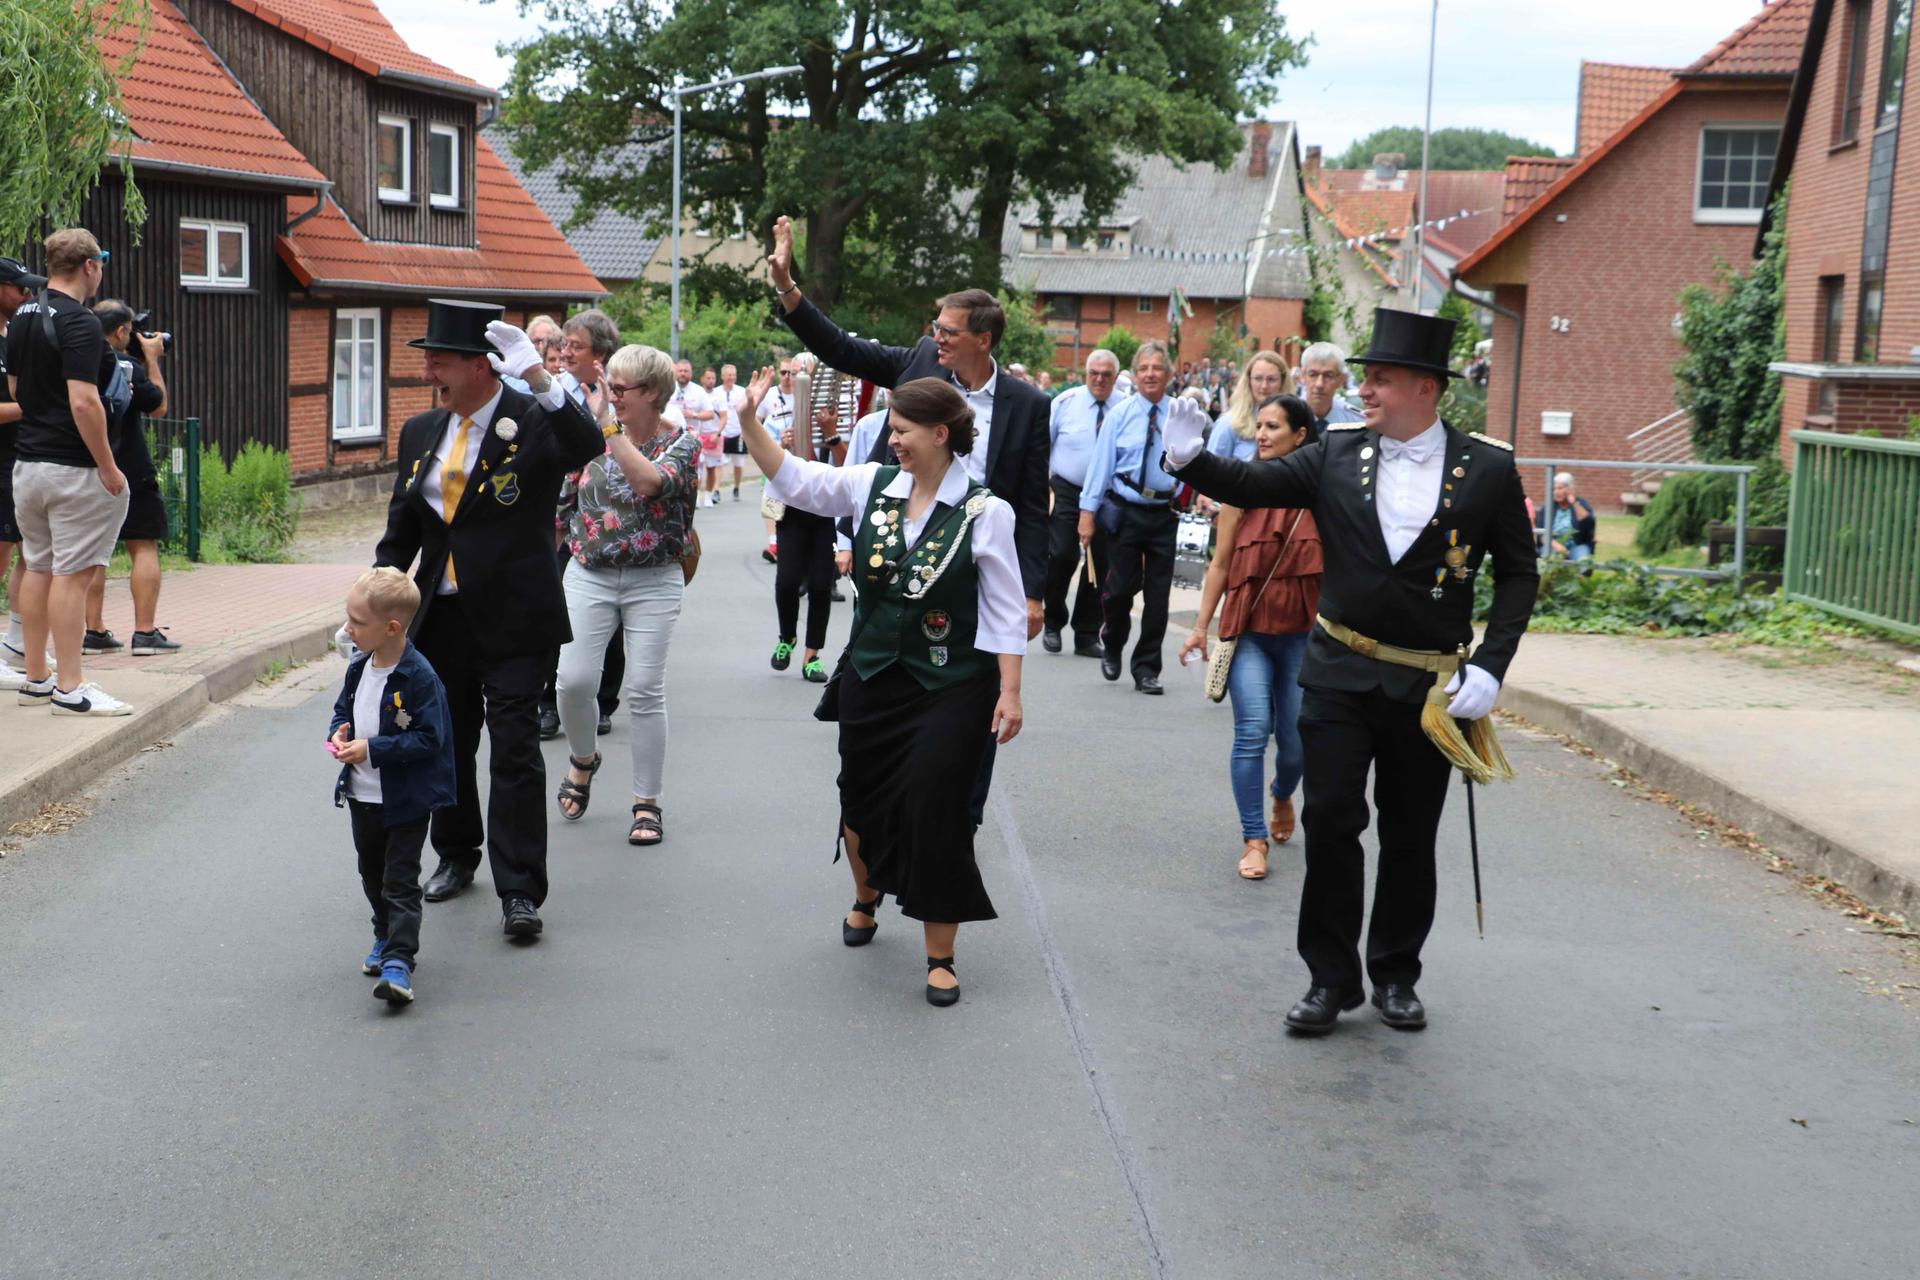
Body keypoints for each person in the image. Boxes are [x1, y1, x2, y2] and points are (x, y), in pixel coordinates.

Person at [1165, 307, 1539, 1035]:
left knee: (1409, 833)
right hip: (1338, 670)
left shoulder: (1488, 468)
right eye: (1364, 378)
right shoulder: (1337, 452)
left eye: (1381, 379)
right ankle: (1330, 979)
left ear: (1426, 388)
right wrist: (1188, 459)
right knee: (1332, 819)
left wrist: (1492, 666)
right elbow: (1253, 484)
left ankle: (1395, 973)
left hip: (1426, 686)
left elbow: (1520, 573)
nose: (1362, 390)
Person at [737, 370, 1026, 1007]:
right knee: (860, 797)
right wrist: (749, 422)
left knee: (936, 804)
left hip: (953, 683)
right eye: (891, 428)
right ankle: (865, 895)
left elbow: (1006, 611)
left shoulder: (987, 512)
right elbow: (796, 480)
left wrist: (1010, 691)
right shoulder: (871, 485)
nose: (892, 440)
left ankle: (941, 955)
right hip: (872, 677)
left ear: (940, 434)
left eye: (902, 430)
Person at [766, 213, 1048, 825]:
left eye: (948, 330)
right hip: (899, 559)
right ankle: (882, 818)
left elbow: (1030, 506)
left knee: (968, 699)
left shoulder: (1027, 405)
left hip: (972, 573)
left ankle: (958, 822)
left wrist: (1032, 592)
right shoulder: (919, 361)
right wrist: (787, 286)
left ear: (984, 340)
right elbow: (840, 348)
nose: (936, 337)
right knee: (885, 679)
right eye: (936, 328)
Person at [372, 298, 603, 939]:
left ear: (481, 366)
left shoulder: (531, 418)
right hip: (441, 617)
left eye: (439, 362)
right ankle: (456, 852)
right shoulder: (422, 430)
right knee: (447, 741)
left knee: (515, 749)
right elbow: (403, 528)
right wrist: (373, 601)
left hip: (515, 615)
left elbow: (587, 445)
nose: (429, 374)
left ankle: (520, 888)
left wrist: (539, 377)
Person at [552, 344, 699, 846]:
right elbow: (564, 506)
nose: (610, 396)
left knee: (643, 689)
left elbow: (649, 483)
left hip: (654, 578)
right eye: (607, 387)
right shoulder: (589, 439)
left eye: (619, 389)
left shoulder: (682, 444)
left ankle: (646, 802)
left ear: (653, 393)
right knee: (572, 682)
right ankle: (583, 758)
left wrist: (607, 430)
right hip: (589, 571)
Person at [1178, 395, 1322, 882]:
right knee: (1252, 732)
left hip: (1302, 634)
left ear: (1300, 435)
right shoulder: (1239, 487)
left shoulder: (1321, 490)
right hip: (1250, 633)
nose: (1261, 434)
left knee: (1296, 744)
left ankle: (1282, 793)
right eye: (1259, 425)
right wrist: (1200, 628)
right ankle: (1253, 838)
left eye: (1273, 426)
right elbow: (1220, 564)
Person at [6, 229, 133, 716]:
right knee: (72, 576)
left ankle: (37, 677)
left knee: (37, 566)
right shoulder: (81, 321)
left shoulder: (22, 315)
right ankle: (71, 688)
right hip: (72, 469)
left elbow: (16, 389)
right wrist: (107, 465)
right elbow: (84, 402)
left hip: (28, 465)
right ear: (89, 266)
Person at [328, 566, 456, 1006]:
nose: (348, 628)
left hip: (405, 801)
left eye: (357, 622)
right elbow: (343, 709)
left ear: (392, 628)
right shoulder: (359, 666)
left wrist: (373, 749)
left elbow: (430, 739)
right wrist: (340, 732)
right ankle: (383, 935)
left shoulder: (419, 678)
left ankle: (400, 961)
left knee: (399, 881)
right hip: (362, 795)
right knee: (372, 874)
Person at [537, 308, 624, 740]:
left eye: (576, 346)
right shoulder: (555, 390)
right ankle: (549, 702)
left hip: (608, 521)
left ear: (600, 354)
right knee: (556, 608)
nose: (566, 353)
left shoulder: (621, 390)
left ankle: (603, 701)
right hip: (561, 517)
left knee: (611, 619)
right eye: (564, 345)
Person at [1078, 341, 1179, 694]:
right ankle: (1113, 642)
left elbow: (1195, 461)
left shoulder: (1181, 414)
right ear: (1134, 375)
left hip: (1165, 513)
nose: (1150, 374)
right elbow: (1100, 465)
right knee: (1119, 592)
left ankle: (1147, 668)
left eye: (1157, 368)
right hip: (1126, 511)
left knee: (1158, 598)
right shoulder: (1120, 414)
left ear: (1169, 374)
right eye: (1144, 368)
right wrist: (1087, 513)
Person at [82, 300, 175, 655]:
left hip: (86, 466)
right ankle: (145, 632)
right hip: (130, 469)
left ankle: (94, 631)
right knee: (143, 545)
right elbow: (159, 406)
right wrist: (150, 358)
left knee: (93, 552)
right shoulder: (127, 366)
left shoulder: (78, 361)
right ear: (121, 331)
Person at [764, 376, 846, 682]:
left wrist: (832, 435)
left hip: (826, 513)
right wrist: (781, 447)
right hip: (792, 513)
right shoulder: (781, 418)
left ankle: (812, 655)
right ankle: (787, 637)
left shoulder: (836, 420)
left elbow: (849, 465)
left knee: (821, 586)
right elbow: (766, 463)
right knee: (787, 582)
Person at [1042, 349, 1119, 657]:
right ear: (1086, 374)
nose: (1099, 379)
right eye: (1093, 373)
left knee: (1101, 561)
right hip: (1067, 489)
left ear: (1115, 377)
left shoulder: (1124, 407)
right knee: (1062, 554)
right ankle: (1052, 620)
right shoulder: (1065, 403)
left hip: (1108, 495)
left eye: (1106, 374)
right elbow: (1043, 445)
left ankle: (1087, 633)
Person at [0, 255, 47, 690]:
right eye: (19, 288)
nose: (26, 295)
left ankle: (16, 640)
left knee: (29, 554)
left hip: (17, 458)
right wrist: (37, 405)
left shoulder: (11, 336)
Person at [1208, 351, 1289, 463]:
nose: (1264, 386)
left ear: (1282, 382)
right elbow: (1211, 469)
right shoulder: (1228, 424)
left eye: (1271, 379)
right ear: (1249, 381)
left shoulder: (1293, 423)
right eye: (1258, 378)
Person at [1296, 342, 1366, 439]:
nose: (1319, 384)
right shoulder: (1288, 416)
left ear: (1341, 379)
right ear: (1302, 376)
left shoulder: (1356, 422)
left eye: (1328, 376)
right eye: (1313, 375)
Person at [1537, 471, 1596, 562]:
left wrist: (1573, 503)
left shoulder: (1581, 504)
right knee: (1550, 559)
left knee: (1583, 562)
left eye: (1560, 488)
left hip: (1577, 546)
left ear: (1570, 489)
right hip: (1552, 545)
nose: (1556, 492)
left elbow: (1589, 523)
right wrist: (1557, 546)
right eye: (1554, 489)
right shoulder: (1547, 507)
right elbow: (1542, 533)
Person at [717, 363, 751, 500]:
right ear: (722, 376)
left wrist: (745, 430)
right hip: (722, 433)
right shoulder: (717, 392)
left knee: (738, 463)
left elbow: (746, 411)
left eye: (734, 375)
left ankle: (736, 487)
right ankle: (716, 490)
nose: (731, 377)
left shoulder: (741, 391)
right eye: (729, 375)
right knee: (718, 463)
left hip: (738, 432)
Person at [694, 367, 725, 507]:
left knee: (711, 468)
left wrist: (717, 433)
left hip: (714, 435)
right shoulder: (697, 394)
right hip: (699, 435)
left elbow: (724, 417)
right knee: (697, 469)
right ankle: (696, 496)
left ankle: (708, 495)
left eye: (713, 378)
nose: (711, 381)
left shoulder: (719, 396)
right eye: (708, 378)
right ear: (702, 379)